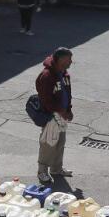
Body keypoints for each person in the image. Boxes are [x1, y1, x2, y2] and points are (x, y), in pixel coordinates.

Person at [35, 47, 74, 183]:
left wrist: (68, 110)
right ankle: (42, 171)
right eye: (69, 59)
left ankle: (56, 169)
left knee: (60, 143)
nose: (71, 62)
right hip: (50, 116)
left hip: (62, 115)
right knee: (48, 144)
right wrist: (60, 111)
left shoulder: (65, 75)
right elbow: (46, 99)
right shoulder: (46, 76)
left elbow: (67, 94)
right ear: (61, 60)